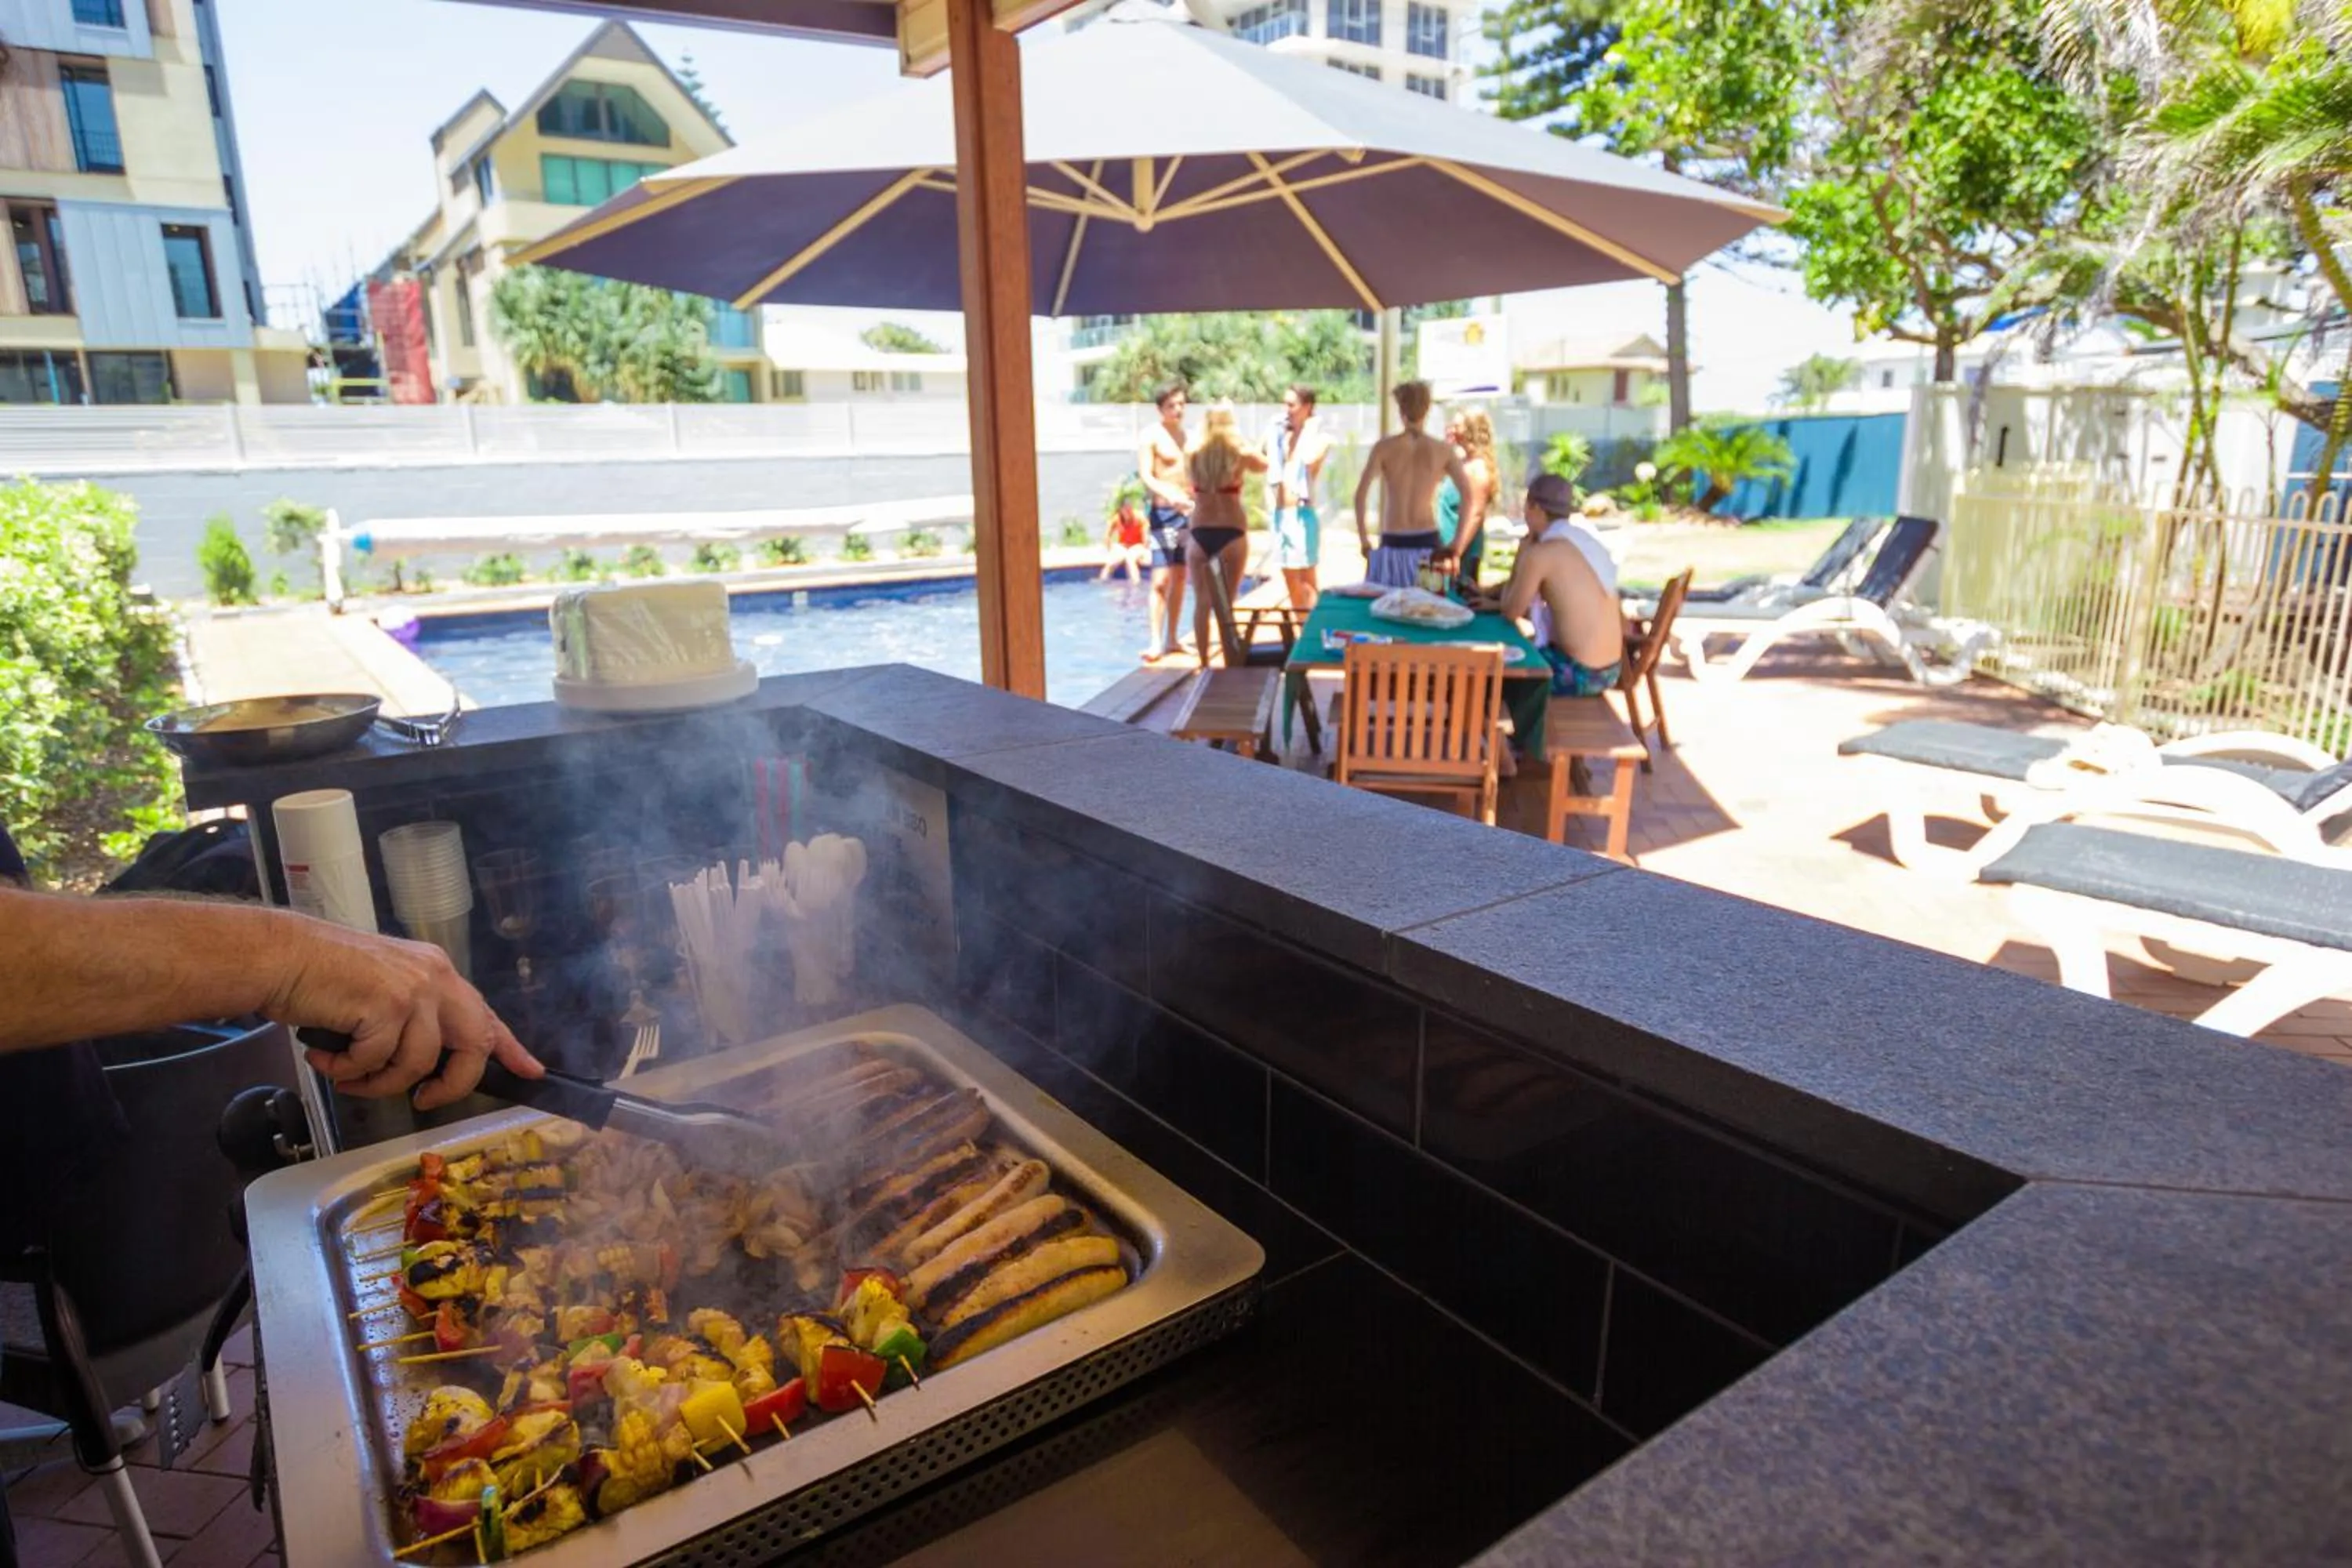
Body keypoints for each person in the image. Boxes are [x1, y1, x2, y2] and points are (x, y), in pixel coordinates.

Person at [1472, 471, 1624, 697]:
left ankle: (1517, 732)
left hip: (1580, 673)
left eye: (1526, 507)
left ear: (1535, 508)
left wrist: (1521, 554)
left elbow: (1511, 611)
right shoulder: (1581, 541)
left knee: (1490, 673)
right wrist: (1487, 594)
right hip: (1611, 669)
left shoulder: (1542, 553)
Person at [1353, 380, 1472, 589]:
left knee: (1387, 610)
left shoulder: (1384, 448)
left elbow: (1360, 495)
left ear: (1401, 409)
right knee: (1426, 611)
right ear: (1427, 409)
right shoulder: (1442, 450)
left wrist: (1364, 540)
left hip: (1393, 539)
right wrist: (1457, 545)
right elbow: (1468, 496)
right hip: (1426, 540)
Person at [1185, 403, 1269, 668]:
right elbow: (1264, 465)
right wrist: (1245, 441)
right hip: (1231, 531)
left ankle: (1203, 663)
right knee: (1226, 604)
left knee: (1201, 602)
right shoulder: (1239, 452)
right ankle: (1230, 661)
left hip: (1199, 532)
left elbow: (1188, 481)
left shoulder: (1194, 452)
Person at [1136, 383, 1194, 660]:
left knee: (1181, 576)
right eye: (1172, 405)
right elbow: (1146, 475)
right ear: (1161, 409)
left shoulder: (1186, 436)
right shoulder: (1152, 436)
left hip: (1186, 515)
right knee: (1161, 579)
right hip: (1163, 514)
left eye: (1182, 404)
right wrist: (1169, 495)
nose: (1178, 410)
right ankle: (1155, 641)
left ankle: (1173, 637)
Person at [1266, 384, 1330, 612]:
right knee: (1290, 581)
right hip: (1280, 515)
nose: (1287, 410)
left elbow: (1310, 458)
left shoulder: (1318, 439)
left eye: (1291, 405)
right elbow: (1259, 456)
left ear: (1307, 407)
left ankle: (1313, 630)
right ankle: (1299, 631)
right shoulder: (1281, 438)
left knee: (1307, 581)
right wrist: (1273, 432)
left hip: (1301, 516)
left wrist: (1307, 430)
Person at [1432, 408, 1497, 597]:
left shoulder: (1478, 469)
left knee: (1457, 598)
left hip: (1461, 551)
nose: (1451, 429)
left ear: (1471, 430)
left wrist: (1456, 552)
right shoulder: (1461, 463)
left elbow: (1475, 514)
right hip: (1446, 546)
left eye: (1457, 426)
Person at [1098, 493, 1149, 583]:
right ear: (1121, 510)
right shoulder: (1117, 519)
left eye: (1129, 510)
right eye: (1125, 510)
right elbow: (1107, 535)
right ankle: (1102, 581)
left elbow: (1146, 538)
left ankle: (1136, 583)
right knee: (1111, 562)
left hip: (1137, 545)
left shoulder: (1140, 518)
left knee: (1130, 559)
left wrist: (1143, 552)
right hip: (1123, 546)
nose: (1128, 513)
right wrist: (1109, 548)